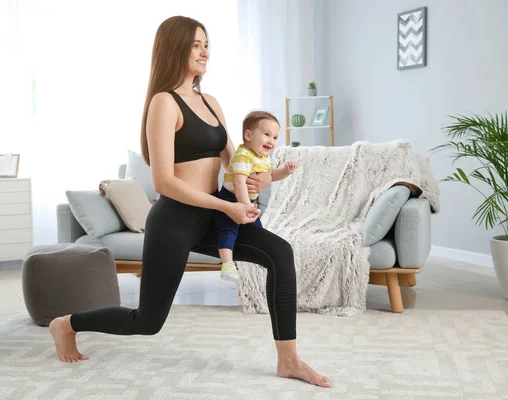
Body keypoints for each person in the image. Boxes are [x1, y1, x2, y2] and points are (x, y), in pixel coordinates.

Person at [49, 15, 331, 388]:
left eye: (206, 44)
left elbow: (234, 156)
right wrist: (226, 207)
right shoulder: (163, 103)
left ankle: (289, 360)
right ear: (174, 48)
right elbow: (164, 181)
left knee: (280, 253)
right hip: (175, 220)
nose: (204, 52)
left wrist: (255, 178)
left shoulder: (211, 102)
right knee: (147, 321)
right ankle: (67, 323)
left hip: (214, 212)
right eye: (196, 44)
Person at [217, 111, 297, 282]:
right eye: (267, 134)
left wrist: (285, 171)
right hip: (230, 199)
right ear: (248, 135)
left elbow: (271, 175)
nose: (271, 141)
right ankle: (227, 264)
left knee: (257, 231)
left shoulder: (263, 157)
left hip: (248, 201)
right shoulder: (243, 156)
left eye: (275, 137)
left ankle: (261, 258)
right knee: (228, 229)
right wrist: (245, 205)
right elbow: (239, 183)